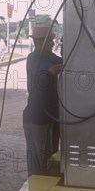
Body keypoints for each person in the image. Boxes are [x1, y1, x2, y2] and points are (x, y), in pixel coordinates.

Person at [23, 26, 62, 177]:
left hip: (49, 118)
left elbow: (68, 61)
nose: (53, 43)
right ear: (39, 42)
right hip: (35, 118)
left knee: (48, 158)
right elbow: (35, 83)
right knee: (37, 162)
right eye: (50, 40)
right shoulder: (32, 59)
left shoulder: (50, 57)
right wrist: (49, 73)